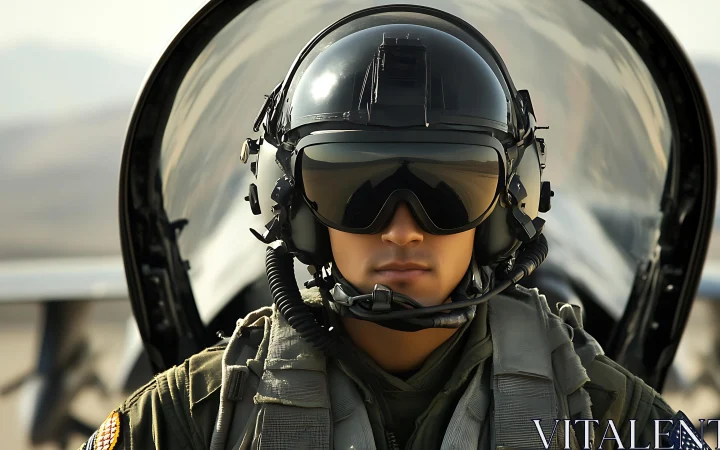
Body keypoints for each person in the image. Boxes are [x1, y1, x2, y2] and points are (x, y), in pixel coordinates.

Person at [80, 6, 679, 450]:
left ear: (504, 207)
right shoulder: (196, 414)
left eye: (449, 190)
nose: (401, 230)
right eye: (352, 189)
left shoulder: (602, 412)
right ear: (296, 207)